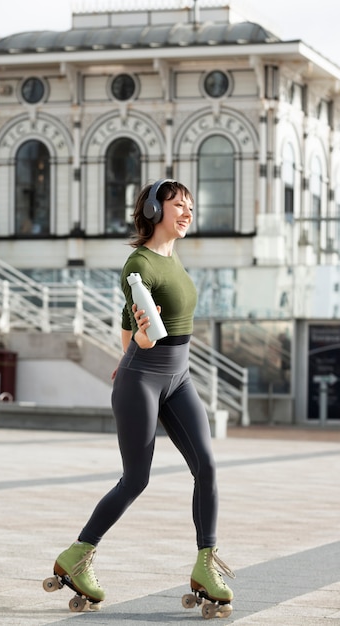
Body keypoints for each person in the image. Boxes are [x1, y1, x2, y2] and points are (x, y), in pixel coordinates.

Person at [45, 179, 235, 612]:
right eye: (178, 206)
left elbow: (127, 328)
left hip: (179, 378)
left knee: (206, 465)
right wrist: (139, 348)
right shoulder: (139, 263)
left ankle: (206, 562)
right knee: (136, 479)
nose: (187, 213)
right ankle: (77, 556)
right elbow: (143, 334)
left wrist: (130, 344)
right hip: (143, 379)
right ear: (153, 211)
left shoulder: (173, 260)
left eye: (190, 206)